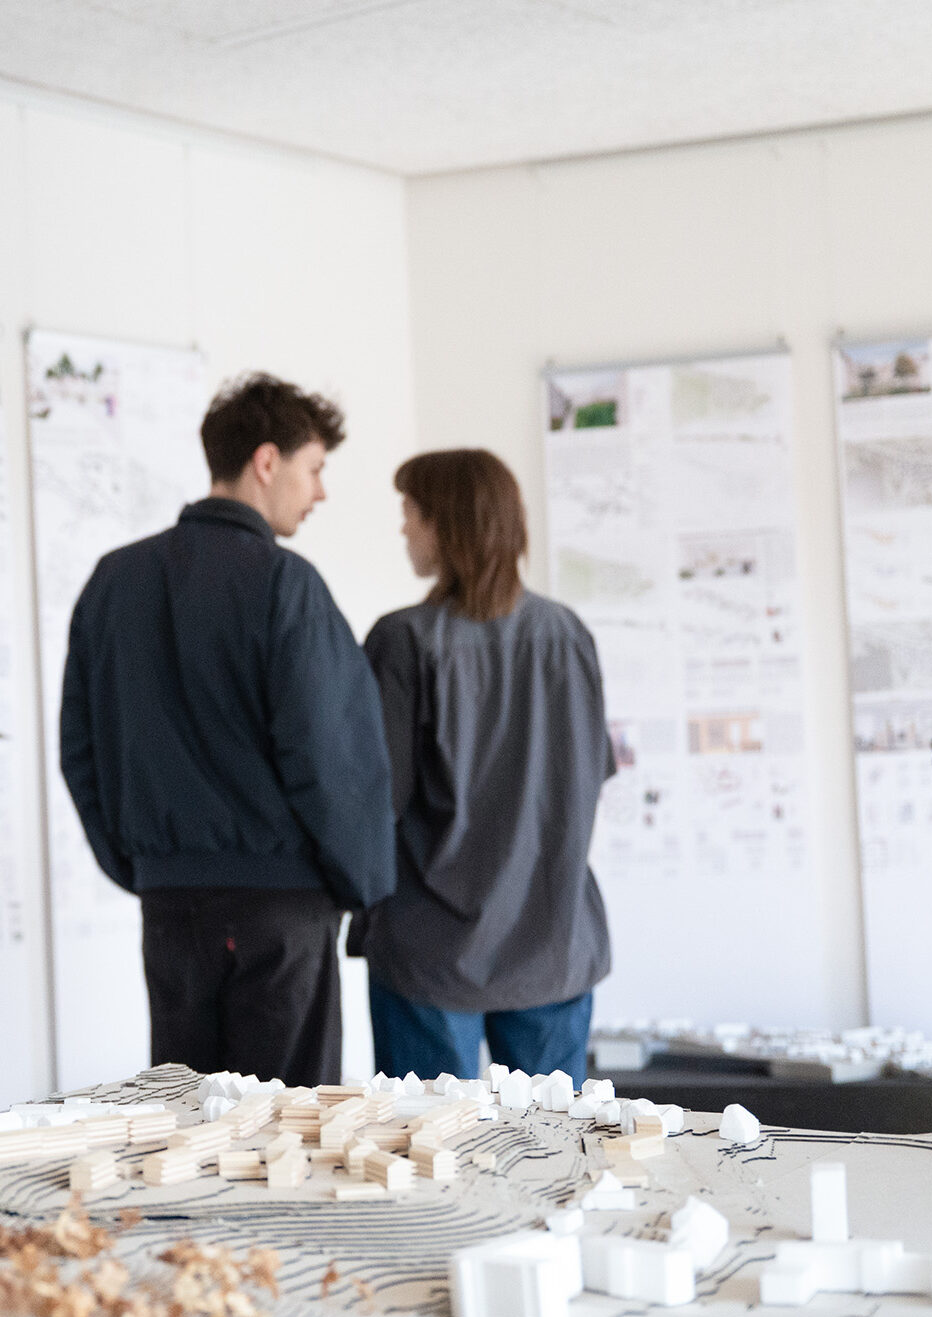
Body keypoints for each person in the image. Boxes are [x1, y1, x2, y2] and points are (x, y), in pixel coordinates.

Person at [59, 373, 394, 1087]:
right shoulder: (286, 585)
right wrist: (360, 885)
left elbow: (79, 750)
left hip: (169, 908)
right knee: (287, 1142)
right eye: (315, 469)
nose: (321, 492)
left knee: (186, 1130)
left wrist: (142, 868)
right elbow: (333, 758)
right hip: (281, 912)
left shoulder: (113, 581)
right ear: (266, 462)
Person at [357, 449, 612, 1084]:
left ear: (446, 525)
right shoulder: (568, 635)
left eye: (410, 514)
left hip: (429, 950)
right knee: (556, 1162)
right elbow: (586, 778)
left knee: (431, 1160)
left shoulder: (402, 641)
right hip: (552, 939)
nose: (403, 530)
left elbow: (375, 802)